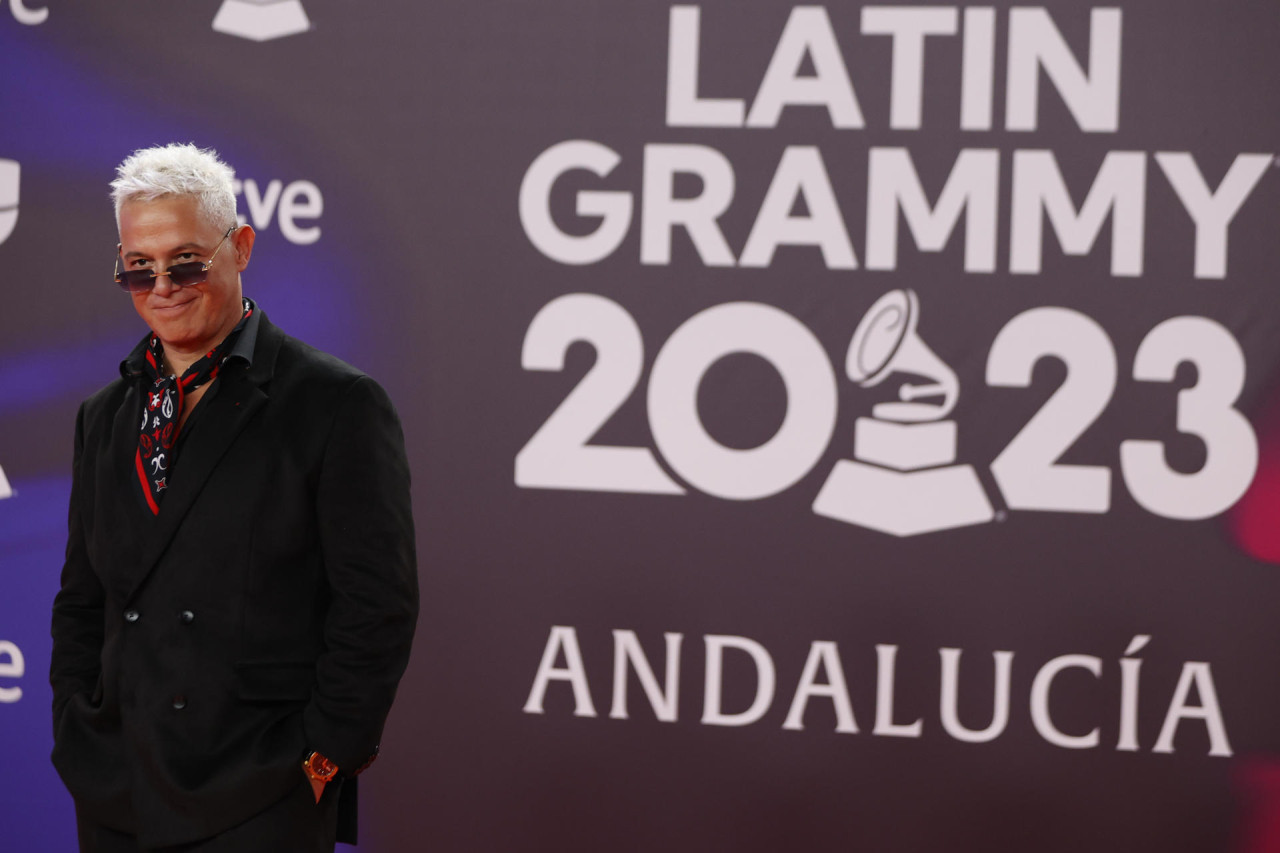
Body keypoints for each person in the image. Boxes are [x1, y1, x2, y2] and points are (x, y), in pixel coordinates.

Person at [50, 143, 419, 851]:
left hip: (259, 792)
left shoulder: (337, 404)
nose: (163, 284)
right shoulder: (103, 415)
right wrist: (76, 720)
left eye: (186, 261)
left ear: (240, 246)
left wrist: (324, 757)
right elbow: (82, 597)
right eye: (138, 266)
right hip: (116, 785)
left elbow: (377, 606)